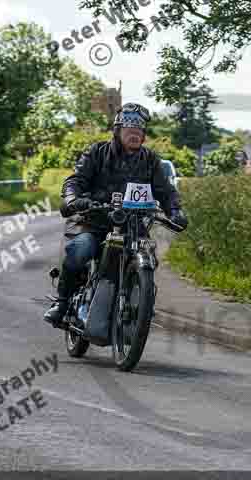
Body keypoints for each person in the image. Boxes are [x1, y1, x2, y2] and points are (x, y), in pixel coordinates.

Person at [44, 103, 188, 327]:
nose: (135, 134)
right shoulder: (97, 152)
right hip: (94, 221)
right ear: (117, 131)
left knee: (149, 255)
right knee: (82, 249)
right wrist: (73, 199)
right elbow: (75, 180)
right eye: (130, 129)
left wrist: (176, 210)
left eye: (139, 130)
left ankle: (141, 303)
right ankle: (62, 303)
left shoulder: (151, 160)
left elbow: (166, 191)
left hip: (133, 225)